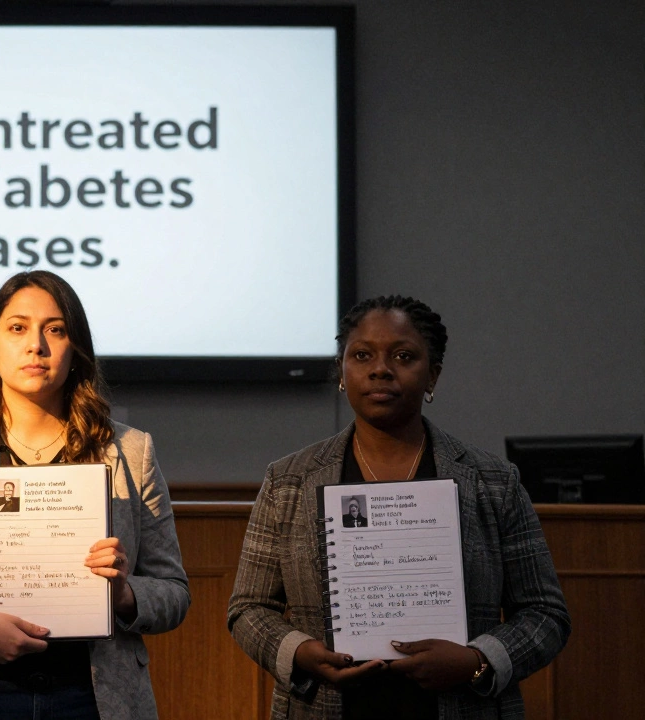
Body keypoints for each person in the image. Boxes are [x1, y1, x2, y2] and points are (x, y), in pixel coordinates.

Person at [227, 295, 570, 720]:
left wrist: (476, 661)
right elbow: (248, 609)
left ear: (433, 377)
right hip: (325, 708)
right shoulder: (289, 481)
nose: (380, 369)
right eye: (362, 355)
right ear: (341, 372)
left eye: (403, 356)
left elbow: (545, 613)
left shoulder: (493, 482)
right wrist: (301, 652)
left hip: (463, 706)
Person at [0, 270, 190, 720]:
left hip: (94, 696)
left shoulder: (132, 452)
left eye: (55, 330)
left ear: (75, 349)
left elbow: (174, 592)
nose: (36, 346)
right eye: (17, 328)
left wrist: (123, 594)